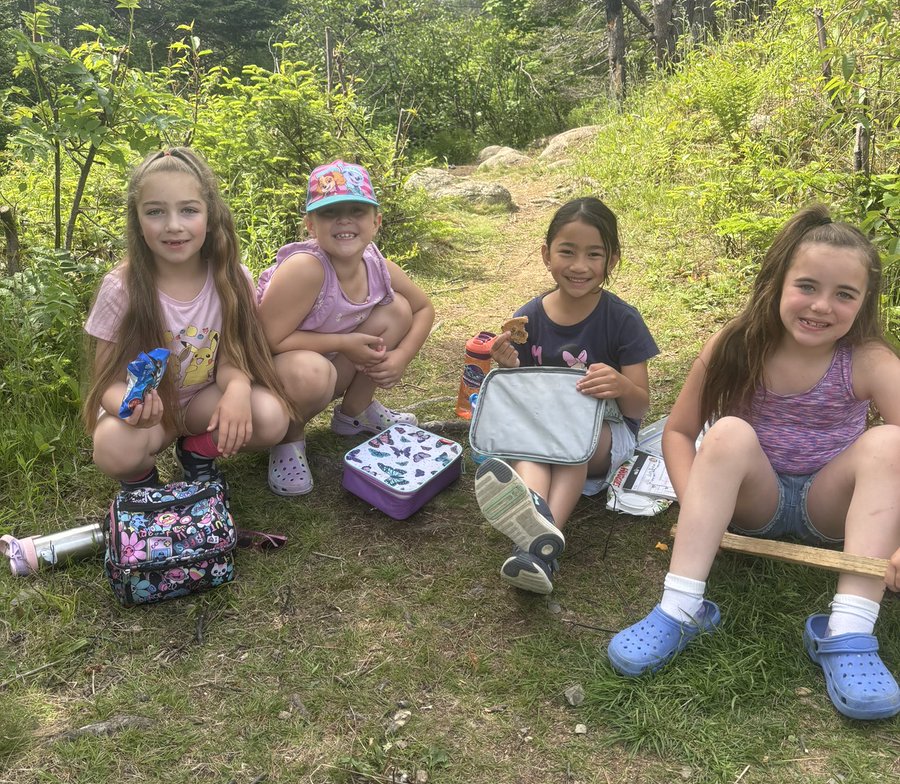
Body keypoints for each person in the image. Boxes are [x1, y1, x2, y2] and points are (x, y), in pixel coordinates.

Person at [607, 205, 900, 721]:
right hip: (752, 503)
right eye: (807, 286)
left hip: (832, 510)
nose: (822, 306)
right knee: (727, 432)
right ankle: (681, 606)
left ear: (864, 303)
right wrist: (694, 502)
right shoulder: (736, 343)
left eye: (844, 294)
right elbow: (677, 432)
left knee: (889, 443)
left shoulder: (870, 360)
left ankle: (849, 629)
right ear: (778, 283)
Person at [474, 196, 658, 594]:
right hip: (540, 430)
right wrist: (509, 367)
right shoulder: (530, 317)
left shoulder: (622, 320)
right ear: (546, 254)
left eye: (594, 254)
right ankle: (539, 543)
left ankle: (540, 532)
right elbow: (522, 394)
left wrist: (622, 386)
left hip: (604, 437)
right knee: (535, 445)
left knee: (568, 443)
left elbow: (639, 405)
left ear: (612, 260)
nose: (579, 266)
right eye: (567, 252)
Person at [84, 147, 291, 489]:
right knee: (112, 448)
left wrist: (238, 387)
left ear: (210, 218)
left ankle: (197, 451)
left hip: (201, 402)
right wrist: (129, 406)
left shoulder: (233, 277)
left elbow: (231, 357)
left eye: (189, 210)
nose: (173, 226)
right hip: (150, 415)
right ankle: (143, 483)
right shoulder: (120, 287)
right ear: (137, 222)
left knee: (270, 416)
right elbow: (106, 381)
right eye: (155, 212)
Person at [256, 160, 435, 495]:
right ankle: (288, 438)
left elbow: (424, 307)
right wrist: (346, 341)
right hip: (278, 372)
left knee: (397, 309)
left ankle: (354, 413)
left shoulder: (378, 266)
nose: (343, 220)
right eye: (329, 212)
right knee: (312, 371)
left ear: (375, 221)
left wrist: (402, 358)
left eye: (356, 210)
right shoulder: (306, 269)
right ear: (311, 225)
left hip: (334, 362)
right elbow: (266, 341)